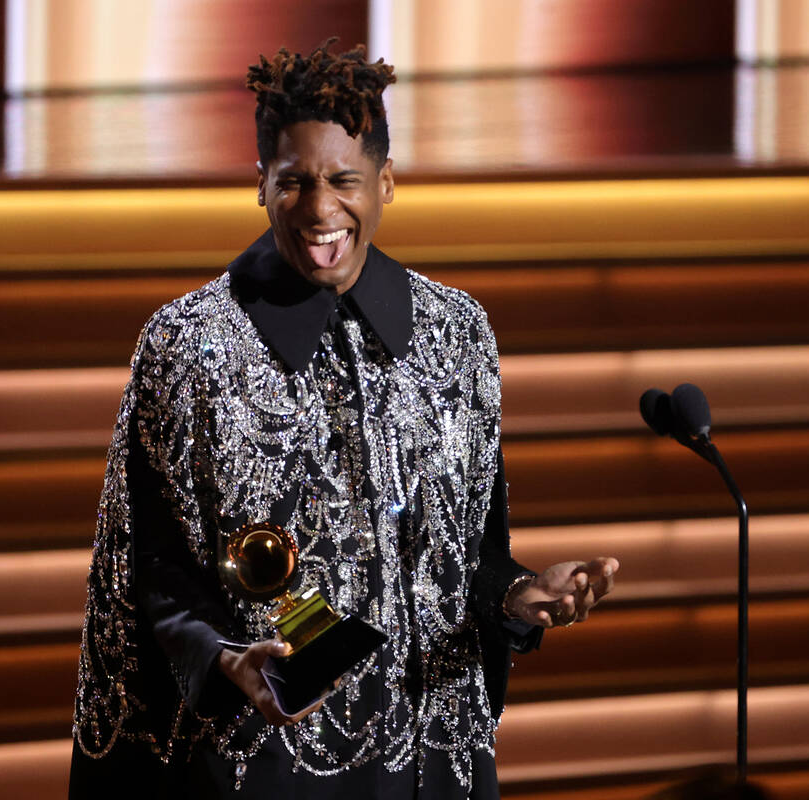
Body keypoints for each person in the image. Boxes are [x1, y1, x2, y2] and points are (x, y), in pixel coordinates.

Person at [69, 39, 618, 799]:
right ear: (259, 185)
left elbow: (468, 553)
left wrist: (516, 596)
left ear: (386, 183)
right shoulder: (187, 347)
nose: (321, 210)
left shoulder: (458, 334)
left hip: (434, 762)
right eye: (293, 182)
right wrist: (226, 657)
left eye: (344, 180)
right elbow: (151, 576)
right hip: (268, 761)